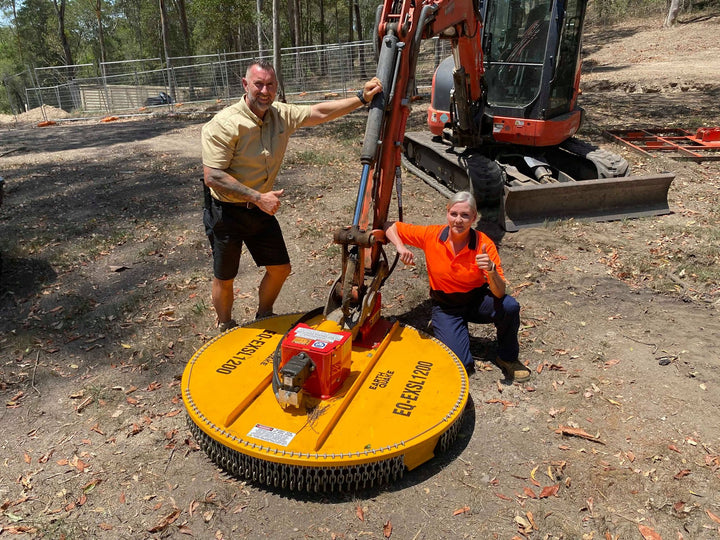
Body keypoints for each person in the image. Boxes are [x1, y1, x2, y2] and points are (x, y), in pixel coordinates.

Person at [201, 59, 383, 330]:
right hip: (226, 211)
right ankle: (225, 325)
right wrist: (258, 197)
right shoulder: (225, 124)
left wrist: (360, 98)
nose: (265, 91)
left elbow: (319, 112)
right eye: (258, 84)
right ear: (245, 85)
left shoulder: (280, 114)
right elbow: (213, 175)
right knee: (225, 277)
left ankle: (264, 315)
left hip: (260, 208)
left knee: (280, 268)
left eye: (270, 85)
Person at [384, 191, 530, 381]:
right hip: (446, 307)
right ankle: (447, 329)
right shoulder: (431, 235)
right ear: (447, 213)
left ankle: (507, 358)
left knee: (510, 306)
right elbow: (389, 226)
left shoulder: (484, 245)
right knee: (461, 364)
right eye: (454, 214)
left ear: (474, 218)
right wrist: (400, 246)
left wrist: (491, 270)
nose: (458, 220)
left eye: (465, 215)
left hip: (476, 301)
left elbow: (500, 293)